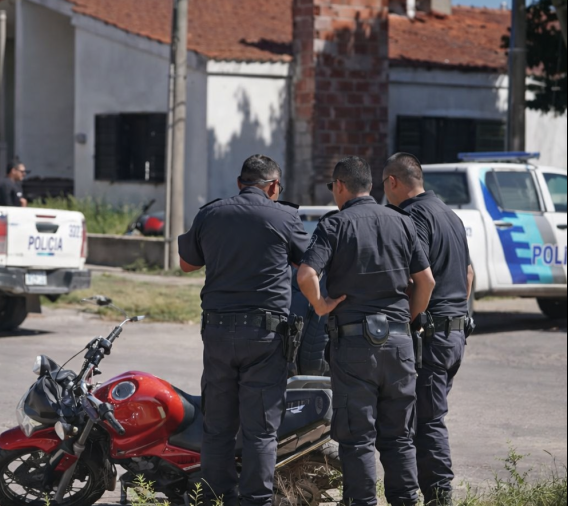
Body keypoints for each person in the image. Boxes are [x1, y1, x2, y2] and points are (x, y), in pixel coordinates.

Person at [297, 156, 436, 506]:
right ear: (371, 186)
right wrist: (409, 318)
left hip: (355, 345)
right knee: (400, 436)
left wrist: (320, 305)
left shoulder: (335, 225)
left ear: (340, 186)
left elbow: (305, 275)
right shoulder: (403, 222)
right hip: (400, 344)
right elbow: (426, 281)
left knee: (357, 438)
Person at [178, 154, 308, 506]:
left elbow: (186, 263)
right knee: (261, 430)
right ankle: (255, 500)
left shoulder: (211, 213)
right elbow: (308, 265)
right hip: (265, 338)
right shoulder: (285, 217)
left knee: (217, 426)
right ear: (273, 186)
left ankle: (215, 498)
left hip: (218, 334)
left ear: (240, 183)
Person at [383, 153, 474, 506]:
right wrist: (453, 314)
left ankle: (439, 497)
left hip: (431, 337)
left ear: (393, 182)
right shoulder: (448, 214)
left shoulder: (413, 216)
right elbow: (467, 274)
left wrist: (410, 319)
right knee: (425, 417)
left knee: (427, 422)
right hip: (454, 333)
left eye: (384, 185)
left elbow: (422, 279)